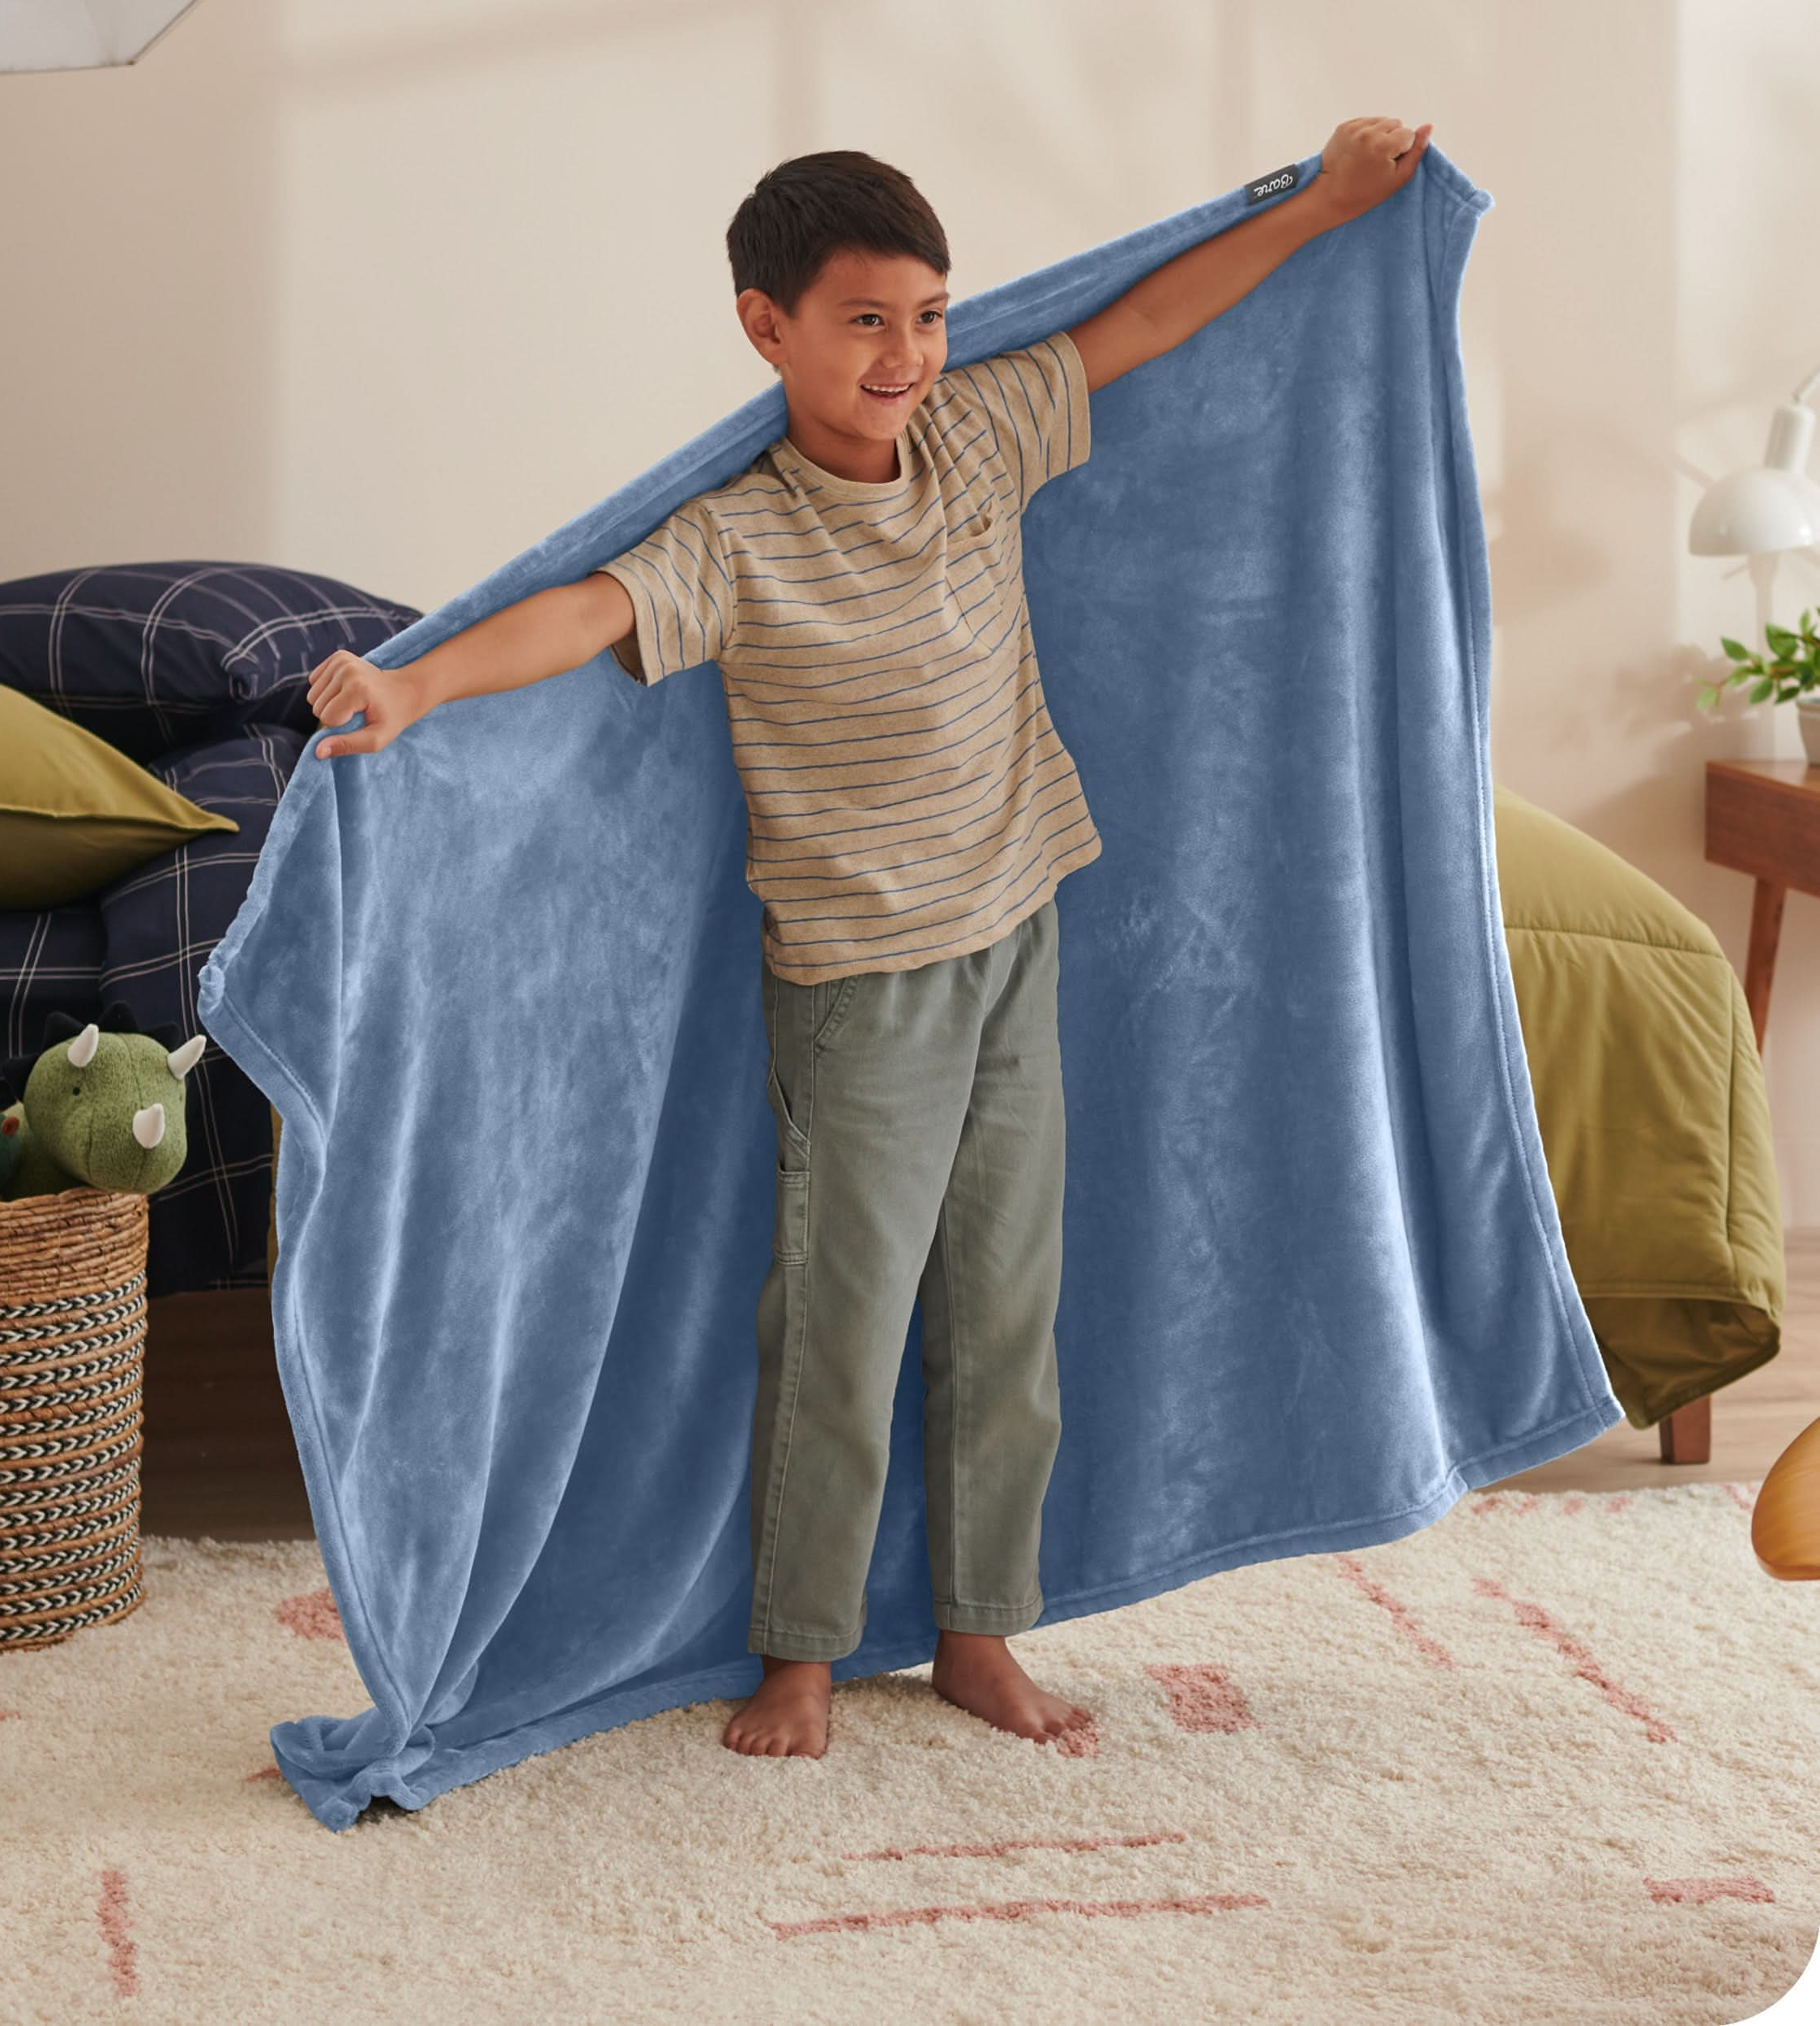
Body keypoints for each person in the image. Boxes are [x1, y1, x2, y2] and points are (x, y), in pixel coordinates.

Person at [302, 115, 1432, 1760]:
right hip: (855, 988)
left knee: (1004, 1314)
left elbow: (1143, 322)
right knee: (843, 1325)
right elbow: (584, 611)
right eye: (861, 320)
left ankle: (979, 1631)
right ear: (765, 327)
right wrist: (412, 684)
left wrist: (1326, 205)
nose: (903, 354)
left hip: (1014, 928)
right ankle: (801, 1654)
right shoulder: (739, 538)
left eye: (927, 314)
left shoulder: (975, 435)